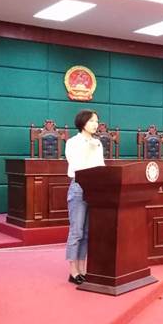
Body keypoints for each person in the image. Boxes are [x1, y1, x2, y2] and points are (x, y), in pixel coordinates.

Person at [65, 109, 104, 285]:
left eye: (97, 121)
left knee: (88, 232)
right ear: (82, 123)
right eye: (92, 121)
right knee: (77, 231)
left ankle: (82, 268)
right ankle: (73, 271)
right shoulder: (73, 142)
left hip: (95, 189)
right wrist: (89, 148)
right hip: (79, 187)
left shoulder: (98, 143)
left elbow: (100, 166)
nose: (95, 124)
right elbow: (77, 166)